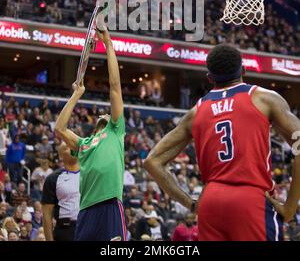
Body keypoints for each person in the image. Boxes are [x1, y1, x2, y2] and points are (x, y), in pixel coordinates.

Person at [144, 44, 300, 241]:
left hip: (211, 202)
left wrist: (191, 203)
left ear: (210, 78)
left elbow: (152, 161)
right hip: (250, 200)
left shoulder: (196, 112)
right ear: (243, 70)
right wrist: (290, 207)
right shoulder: (265, 99)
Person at [55, 25, 126, 241]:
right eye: (103, 113)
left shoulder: (115, 129)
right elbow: (60, 129)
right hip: (86, 210)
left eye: (109, 112)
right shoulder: (84, 143)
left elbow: (114, 86)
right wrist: (77, 93)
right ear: (96, 123)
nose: (107, 112)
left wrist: (109, 45)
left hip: (110, 204)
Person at [42, 142, 80, 241]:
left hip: (90, 225)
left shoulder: (91, 173)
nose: (71, 148)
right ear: (60, 156)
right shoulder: (52, 179)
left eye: (73, 146)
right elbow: (47, 215)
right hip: (66, 229)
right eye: (67, 147)